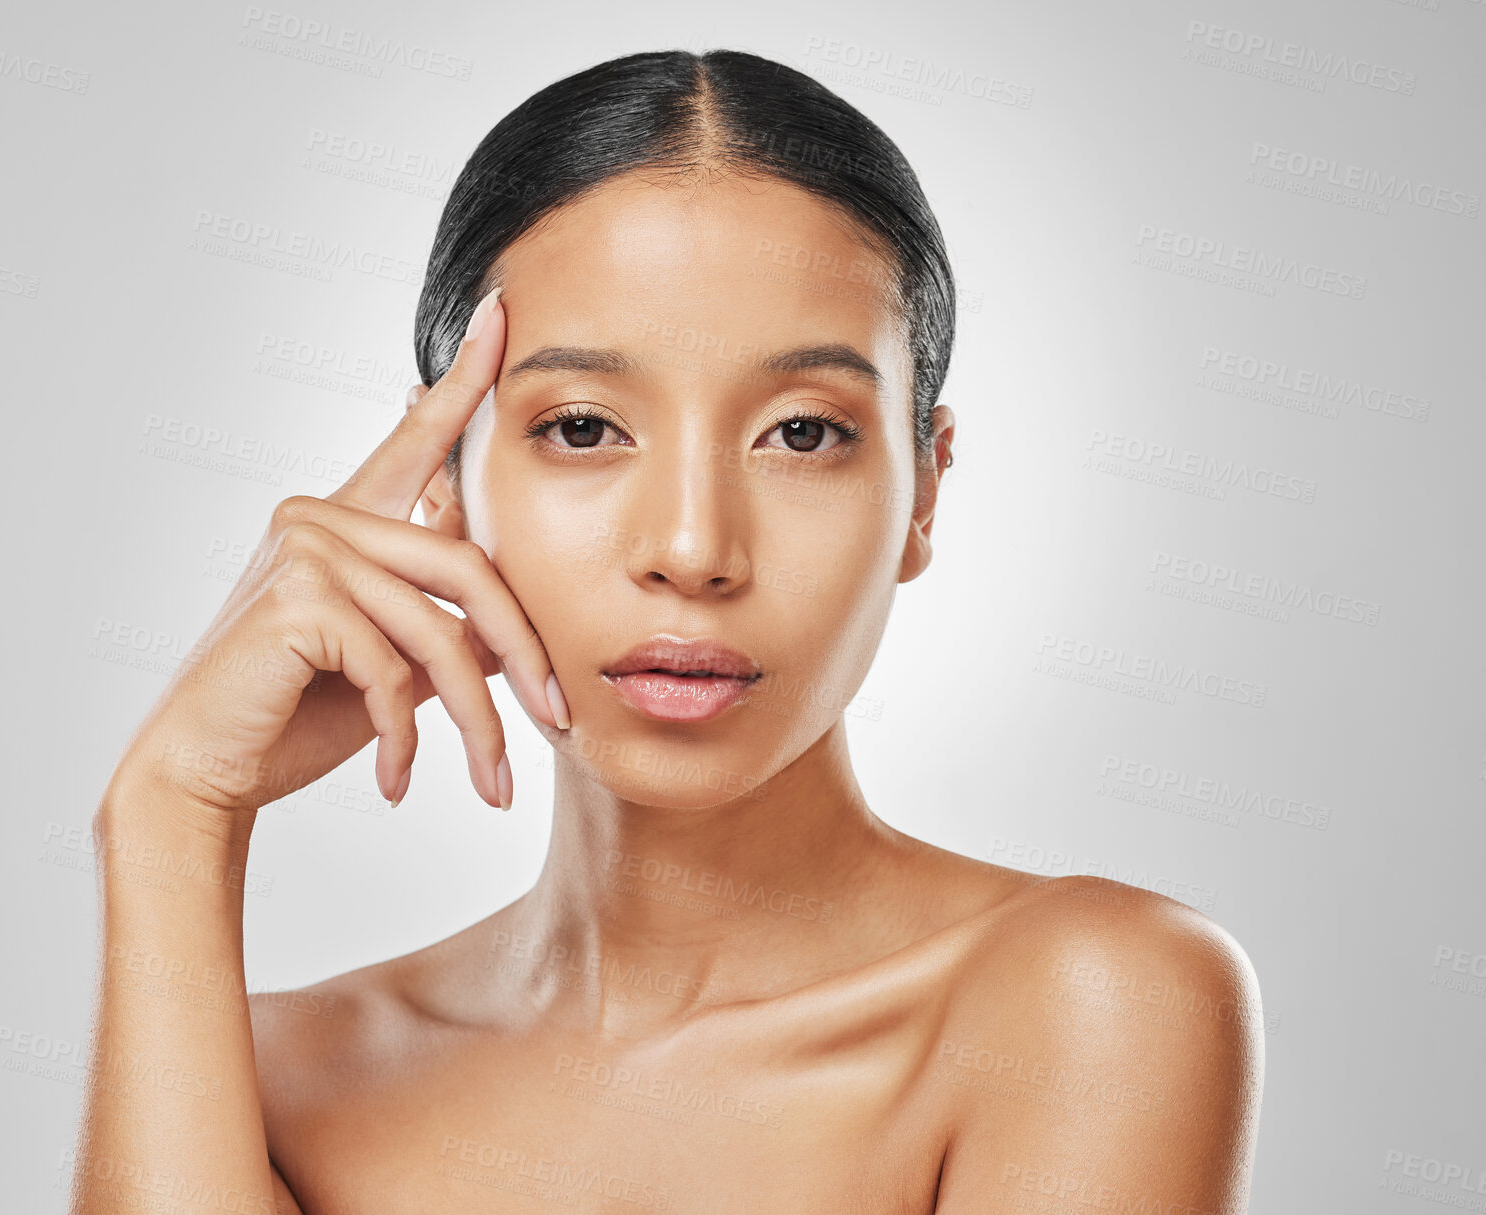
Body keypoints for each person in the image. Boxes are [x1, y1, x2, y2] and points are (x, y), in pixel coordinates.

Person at [70, 48, 1263, 1214]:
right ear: (441, 478)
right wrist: (171, 814)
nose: (692, 549)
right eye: (584, 428)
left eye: (802, 433)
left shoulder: (1093, 1001)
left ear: (925, 491)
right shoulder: (268, 1081)